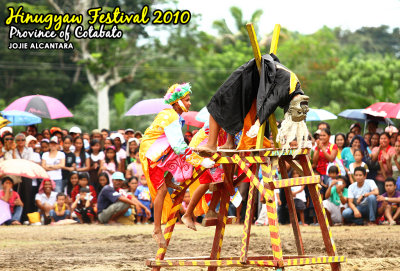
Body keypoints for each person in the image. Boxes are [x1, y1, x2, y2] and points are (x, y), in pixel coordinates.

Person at [139, 82, 214, 248]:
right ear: (177, 102)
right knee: (162, 191)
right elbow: (179, 147)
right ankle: (157, 229)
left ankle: (169, 181)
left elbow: (177, 146)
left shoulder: (174, 115)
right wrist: (201, 161)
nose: (189, 103)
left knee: (181, 159)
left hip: (160, 151)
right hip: (152, 153)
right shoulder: (171, 116)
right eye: (187, 100)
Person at [196, 53, 308, 153]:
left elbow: (295, 116)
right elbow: (270, 103)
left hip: (258, 83)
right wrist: (257, 123)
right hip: (250, 74)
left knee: (236, 107)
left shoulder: (295, 90)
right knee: (220, 101)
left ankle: (229, 143)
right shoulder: (288, 87)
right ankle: (211, 144)